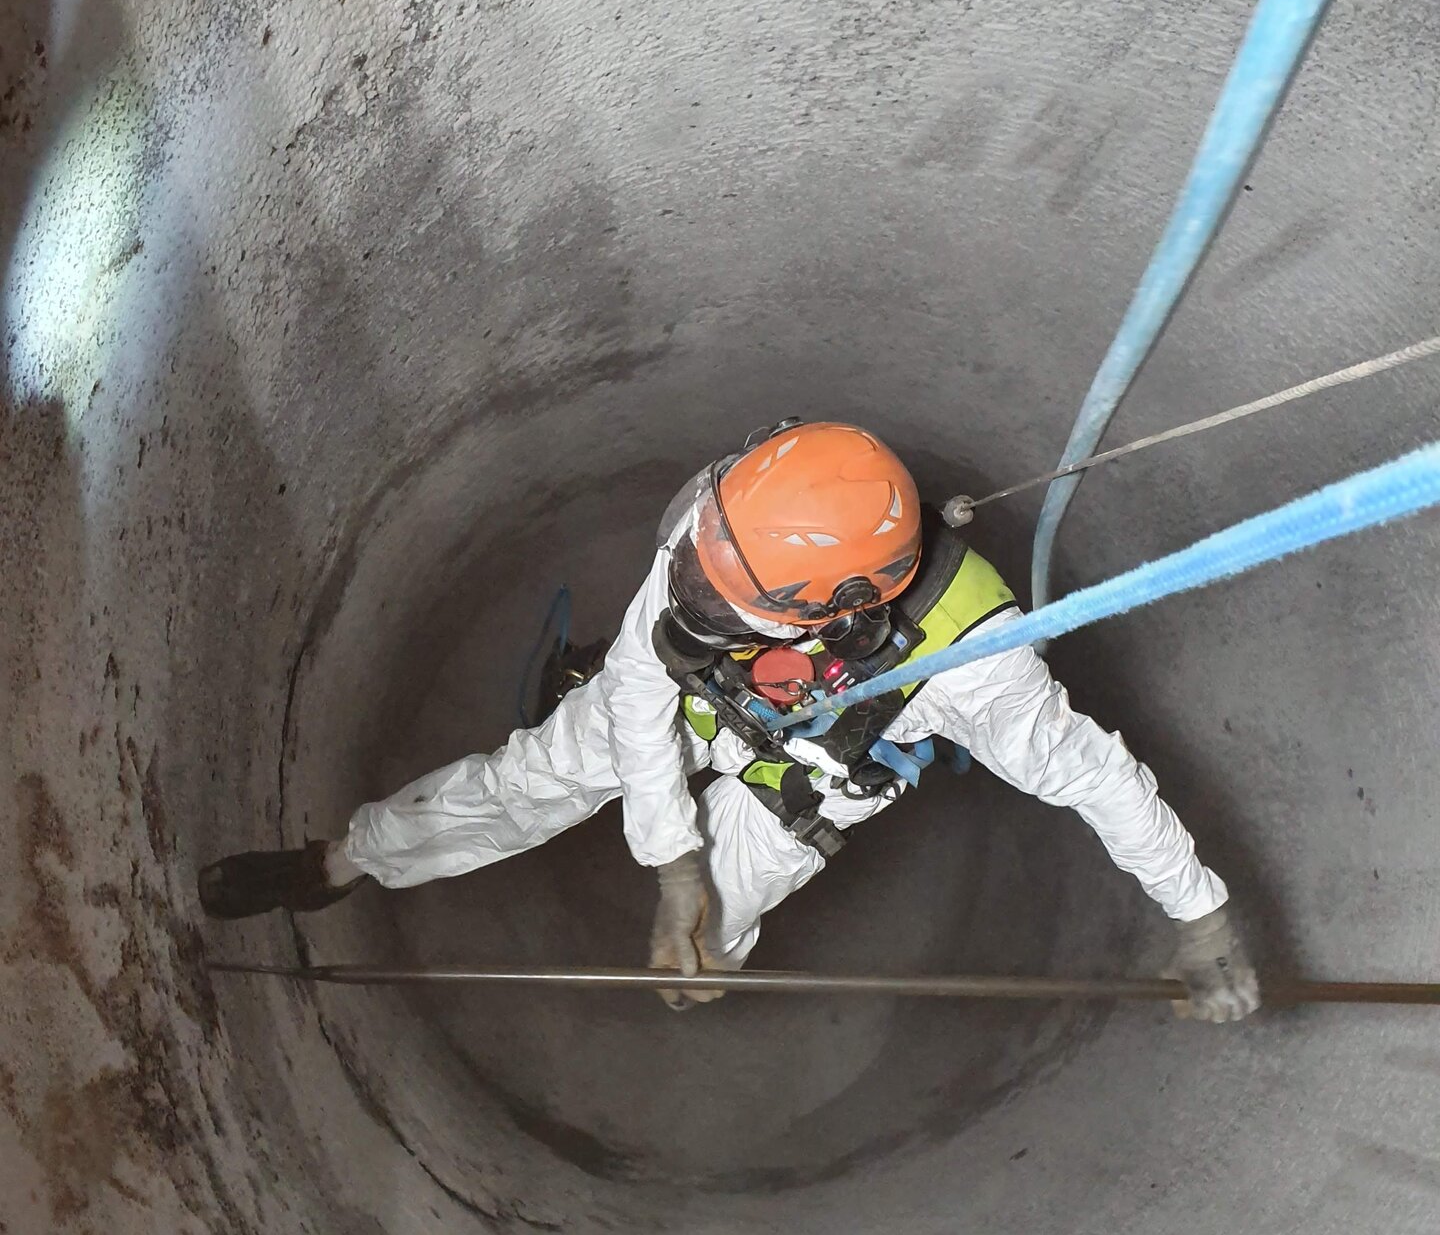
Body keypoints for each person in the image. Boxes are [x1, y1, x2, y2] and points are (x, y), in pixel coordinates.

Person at [200, 421, 1260, 1020]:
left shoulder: (980, 667)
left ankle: (698, 968)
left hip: (825, 760)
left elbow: (1094, 775)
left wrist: (1199, 915)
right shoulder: (736, 529)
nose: (689, 586)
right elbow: (648, 674)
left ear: (849, 608)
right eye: (699, 562)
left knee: (703, 953)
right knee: (526, 781)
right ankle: (343, 862)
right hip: (704, 698)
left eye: (726, 594)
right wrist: (669, 858)